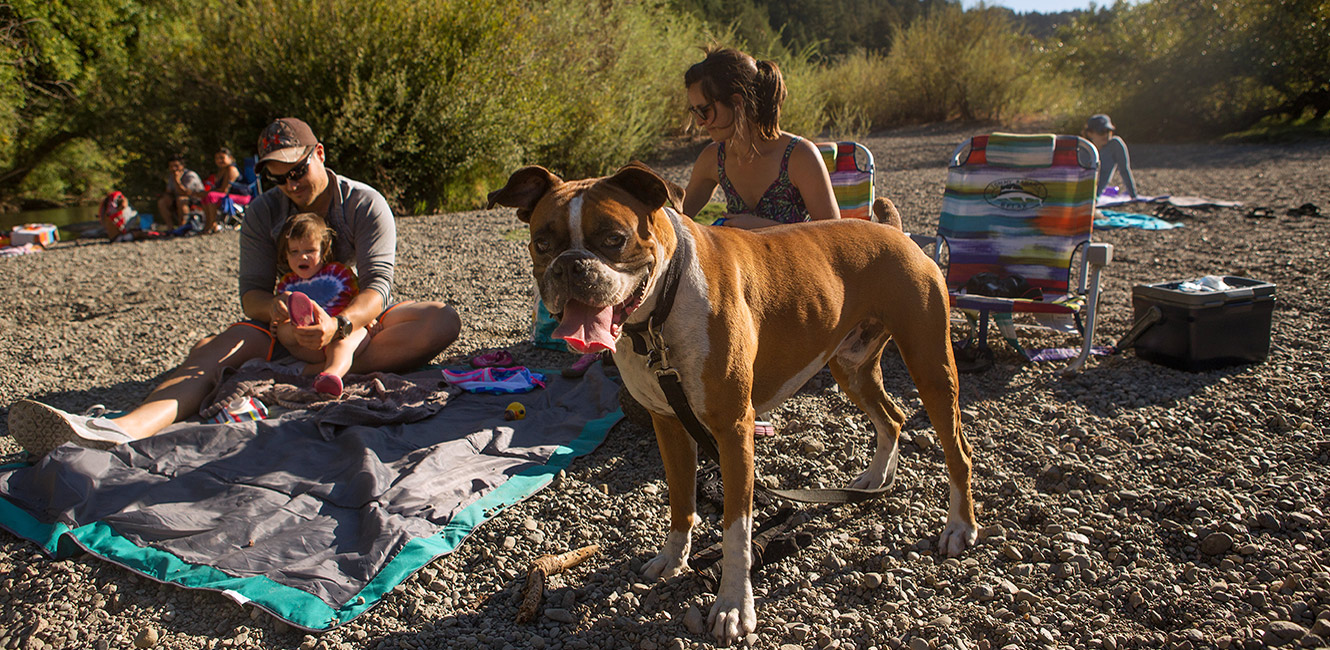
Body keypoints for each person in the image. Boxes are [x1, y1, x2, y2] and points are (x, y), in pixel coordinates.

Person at [8, 117, 462, 457]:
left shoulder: (363, 203)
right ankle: (119, 429)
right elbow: (251, 295)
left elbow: (378, 286)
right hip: (283, 335)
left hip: (351, 330)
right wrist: (280, 312)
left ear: (319, 154)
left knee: (441, 320)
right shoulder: (264, 212)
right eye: (278, 177)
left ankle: (317, 374)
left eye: (297, 171)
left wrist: (339, 325)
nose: (290, 184)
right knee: (209, 354)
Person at [680, 47, 840, 230]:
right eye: (695, 112)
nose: (700, 122)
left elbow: (834, 238)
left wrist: (765, 230)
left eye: (704, 111)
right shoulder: (714, 158)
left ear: (737, 102)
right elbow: (677, 218)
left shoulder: (800, 157)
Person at [273, 212, 368, 396]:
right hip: (306, 341)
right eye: (295, 252)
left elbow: (359, 301)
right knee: (284, 331)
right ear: (286, 255)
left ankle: (330, 375)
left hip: (337, 332)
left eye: (309, 251)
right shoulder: (286, 285)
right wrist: (278, 320)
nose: (303, 257)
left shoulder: (340, 273)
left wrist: (368, 320)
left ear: (323, 250)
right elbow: (280, 316)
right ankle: (316, 362)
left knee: (347, 338)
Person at [1081, 114, 1139, 200]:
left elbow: (1124, 170)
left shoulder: (1114, 146)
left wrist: (1134, 197)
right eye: (1101, 131)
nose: (1106, 135)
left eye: (1108, 131)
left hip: (1095, 197)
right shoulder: (1083, 149)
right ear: (1090, 133)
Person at [199, 147, 255, 233]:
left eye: (222, 158)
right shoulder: (221, 171)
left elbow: (224, 190)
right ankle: (208, 224)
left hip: (242, 197)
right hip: (229, 196)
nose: (219, 160)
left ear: (230, 158)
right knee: (204, 197)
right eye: (217, 158)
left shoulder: (231, 169)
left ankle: (213, 224)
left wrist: (207, 192)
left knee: (210, 195)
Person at [156, 153, 205, 229]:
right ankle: (170, 227)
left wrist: (177, 180)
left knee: (181, 199)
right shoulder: (172, 176)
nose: (173, 169)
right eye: (171, 166)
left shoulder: (190, 175)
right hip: (178, 200)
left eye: (176, 166)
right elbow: (169, 192)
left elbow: (185, 192)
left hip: (195, 201)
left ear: (182, 166)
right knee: (162, 202)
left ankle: (182, 226)